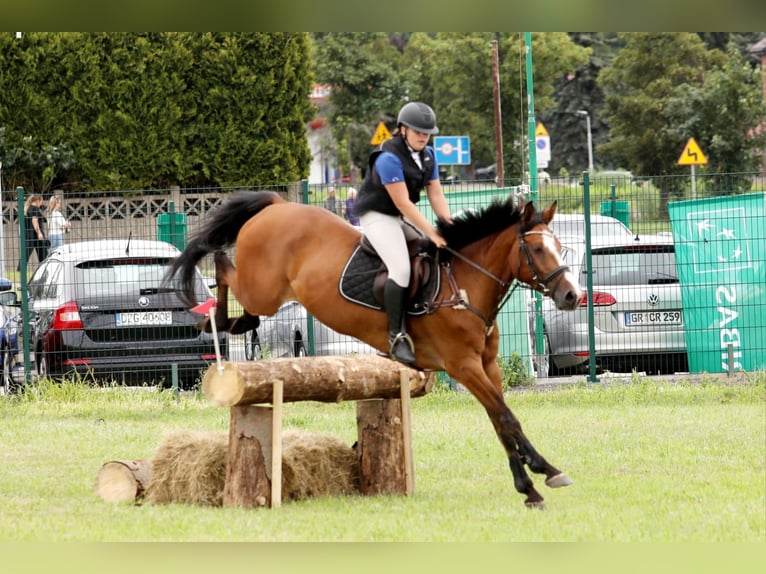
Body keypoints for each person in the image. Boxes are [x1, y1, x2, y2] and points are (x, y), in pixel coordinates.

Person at [353, 101, 453, 364]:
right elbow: (403, 203)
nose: (423, 136)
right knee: (401, 269)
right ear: (402, 129)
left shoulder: (429, 155)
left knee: (425, 254)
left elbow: (436, 193)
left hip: (396, 217)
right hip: (376, 216)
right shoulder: (388, 157)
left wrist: (449, 226)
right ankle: (395, 337)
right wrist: (431, 231)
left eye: (427, 132)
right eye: (417, 130)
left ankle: (420, 320)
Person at [20, 194, 48, 269]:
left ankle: (21, 270)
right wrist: (39, 233)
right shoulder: (35, 209)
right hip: (36, 236)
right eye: (41, 201)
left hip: (28, 236)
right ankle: (45, 269)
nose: (41, 203)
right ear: (37, 200)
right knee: (44, 255)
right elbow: (34, 221)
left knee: (25, 255)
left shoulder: (27, 209)